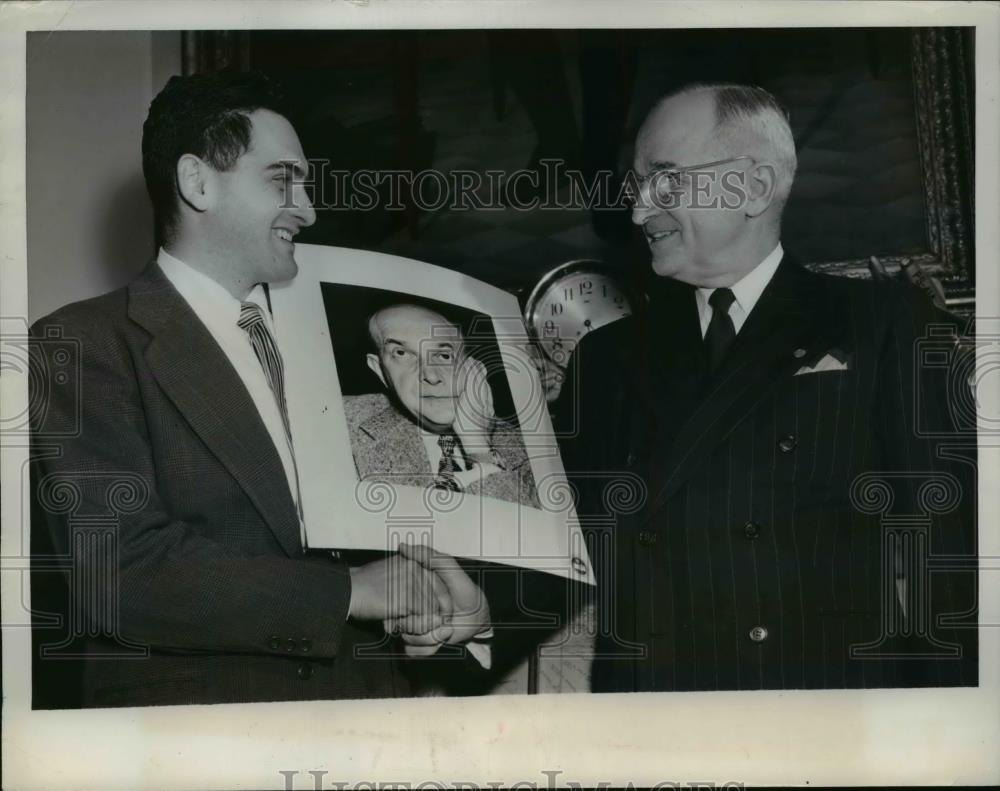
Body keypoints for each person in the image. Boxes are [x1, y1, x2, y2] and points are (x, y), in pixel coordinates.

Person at [29, 71, 487, 708]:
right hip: (200, 734)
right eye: (281, 180)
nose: (308, 208)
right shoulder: (84, 343)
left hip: (371, 718)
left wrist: (449, 596)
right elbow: (120, 575)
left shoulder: (346, 345)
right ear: (197, 183)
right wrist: (350, 593)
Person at [557, 83, 977, 691]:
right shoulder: (604, 357)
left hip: (828, 700)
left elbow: (950, 546)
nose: (639, 210)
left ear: (751, 188)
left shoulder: (882, 320)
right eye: (636, 187)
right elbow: (559, 541)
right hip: (663, 708)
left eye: (666, 181)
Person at [343, 303, 540, 509]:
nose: (430, 375)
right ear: (379, 370)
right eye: (401, 353)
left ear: (473, 368)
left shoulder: (531, 449)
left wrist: (479, 449)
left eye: (444, 355)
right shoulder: (343, 425)